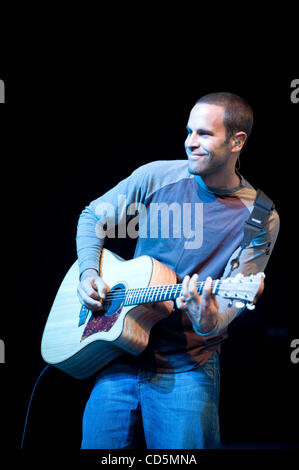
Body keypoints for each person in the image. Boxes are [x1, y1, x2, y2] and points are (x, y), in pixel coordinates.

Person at [76, 92, 280, 449]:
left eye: (203, 134)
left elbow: (227, 307)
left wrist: (207, 318)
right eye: (188, 131)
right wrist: (88, 273)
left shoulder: (260, 217)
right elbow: (92, 217)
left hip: (187, 369)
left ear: (237, 141)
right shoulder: (157, 176)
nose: (190, 142)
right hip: (118, 356)